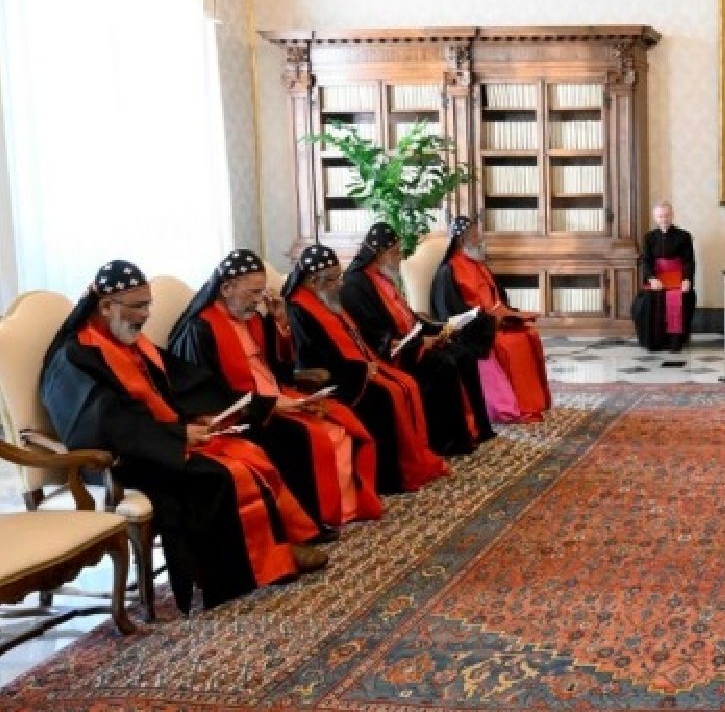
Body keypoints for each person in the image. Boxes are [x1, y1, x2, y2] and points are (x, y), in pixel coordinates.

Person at [41, 261, 328, 613]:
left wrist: (207, 414)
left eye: (148, 305)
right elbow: (105, 423)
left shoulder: (131, 341)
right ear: (105, 306)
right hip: (117, 458)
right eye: (138, 306)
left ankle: (272, 549)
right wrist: (177, 435)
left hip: (159, 439)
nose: (146, 316)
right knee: (219, 476)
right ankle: (236, 571)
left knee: (246, 452)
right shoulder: (77, 355)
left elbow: (181, 383)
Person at [169, 248, 382, 529]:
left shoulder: (255, 319)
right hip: (243, 415)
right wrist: (269, 405)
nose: (258, 301)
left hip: (273, 399)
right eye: (252, 293)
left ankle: (343, 510)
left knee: (340, 424)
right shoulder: (201, 329)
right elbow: (209, 395)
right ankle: (312, 521)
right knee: (305, 438)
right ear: (226, 288)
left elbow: (280, 372)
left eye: (260, 293)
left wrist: (280, 323)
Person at [284, 244, 449, 493]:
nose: (339, 284)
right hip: (333, 378)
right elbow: (311, 357)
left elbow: (355, 338)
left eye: (338, 277)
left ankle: (410, 463)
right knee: (383, 397)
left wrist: (370, 361)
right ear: (312, 281)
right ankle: (389, 479)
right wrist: (359, 371)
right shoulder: (298, 308)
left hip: (354, 368)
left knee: (406, 383)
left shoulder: (328, 300)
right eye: (331, 280)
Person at [340, 223, 495, 452]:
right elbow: (374, 334)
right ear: (380, 254)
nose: (400, 256)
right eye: (396, 251)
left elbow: (408, 316)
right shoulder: (355, 285)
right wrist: (420, 342)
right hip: (392, 354)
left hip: (410, 342)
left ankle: (476, 429)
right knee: (443, 363)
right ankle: (446, 441)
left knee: (464, 354)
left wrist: (439, 329)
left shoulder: (383, 277)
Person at [431, 216, 551, 422]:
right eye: (475, 235)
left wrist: (508, 315)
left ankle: (532, 402)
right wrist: (488, 323)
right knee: (510, 343)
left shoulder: (478, 265)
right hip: (476, 330)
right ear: (461, 240)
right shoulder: (447, 271)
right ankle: (513, 406)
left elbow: (497, 297)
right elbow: (451, 313)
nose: (479, 239)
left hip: (494, 323)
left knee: (528, 334)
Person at [632, 202, 697, 353]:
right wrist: (652, 278)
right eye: (660, 216)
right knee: (647, 299)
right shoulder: (649, 237)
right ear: (656, 218)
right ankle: (654, 341)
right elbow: (646, 261)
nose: (664, 219)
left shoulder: (684, 236)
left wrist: (687, 279)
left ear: (672, 215)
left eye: (667, 215)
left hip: (677, 277)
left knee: (681, 296)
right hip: (657, 278)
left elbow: (689, 260)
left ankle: (674, 342)